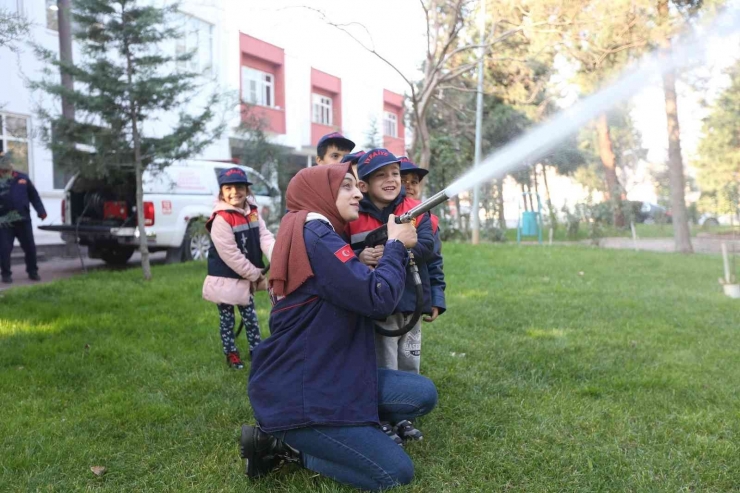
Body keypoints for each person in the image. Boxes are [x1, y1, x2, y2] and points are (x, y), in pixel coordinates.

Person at [242, 163, 438, 491]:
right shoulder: (317, 236)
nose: (358, 193)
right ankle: (283, 446)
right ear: (319, 194)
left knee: (422, 394)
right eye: (347, 187)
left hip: (329, 373)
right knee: (395, 472)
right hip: (302, 393)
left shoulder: (317, 233)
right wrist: (395, 247)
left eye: (357, 186)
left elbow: (350, 284)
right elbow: (379, 298)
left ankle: (342, 427)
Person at [347, 149, 436, 375]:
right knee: (384, 365)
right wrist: (359, 257)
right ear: (363, 186)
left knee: (410, 363)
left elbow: (427, 247)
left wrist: (392, 252)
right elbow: (341, 253)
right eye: (381, 175)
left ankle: (410, 401)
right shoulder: (352, 215)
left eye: (395, 173)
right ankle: (386, 405)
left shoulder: (416, 211)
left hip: (412, 304)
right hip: (377, 306)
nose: (391, 180)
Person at [202, 167, 275, 369]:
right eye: (229, 188)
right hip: (226, 278)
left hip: (246, 276)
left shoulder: (252, 212)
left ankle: (256, 351)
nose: (235, 192)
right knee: (227, 319)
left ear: (247, 190)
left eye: (240, 187)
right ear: (222, 192)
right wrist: (255, 275)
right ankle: (231, 353)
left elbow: (264, 235)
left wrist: (275, 254)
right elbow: (231, 255)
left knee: (250, 317)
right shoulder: (221, 219)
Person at [399, 156, 446, 323]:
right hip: (388, 302)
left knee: (410, 349)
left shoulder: (428, 220)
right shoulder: (387, 215)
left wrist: (436, 297)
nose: (409, 185)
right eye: (403, 180)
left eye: (414, 181)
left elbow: (434, 261)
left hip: (416, 300)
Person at [0, 151, 47, 284]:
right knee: (4, 249)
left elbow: (34, 196)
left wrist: (41, 211)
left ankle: (33, 272)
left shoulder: (23, 178)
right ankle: (6, 274)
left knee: (30, 248)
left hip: (23, 220)